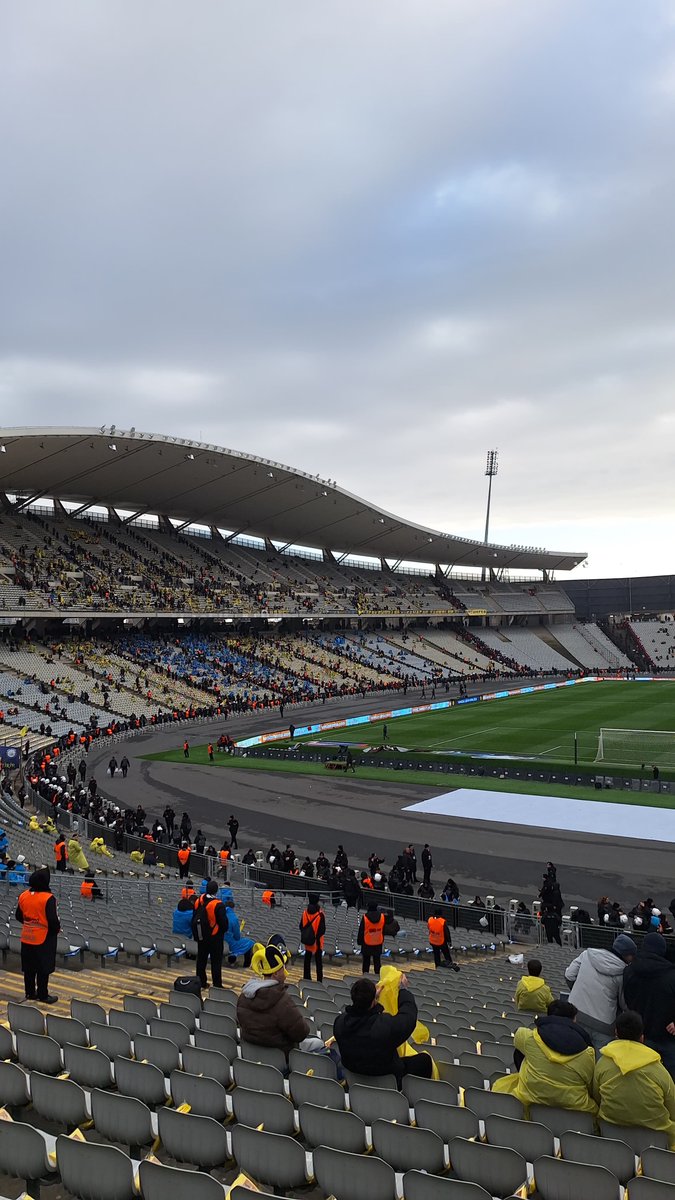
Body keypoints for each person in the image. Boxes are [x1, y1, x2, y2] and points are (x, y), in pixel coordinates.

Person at [493, 1000, 597, 1116]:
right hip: (575, 1110)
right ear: (573, 1021)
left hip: (529, 1104)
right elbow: (590, 1085)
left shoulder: (529, 1037)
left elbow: (518, 1039)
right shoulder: (588, 1053)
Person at [593, 1010, 675, 1149]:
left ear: (616, 1033)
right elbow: (672, 1107)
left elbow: (597, 1097)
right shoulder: (659, 1071)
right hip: (657, 1144)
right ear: (642, 1038)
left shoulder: (602, 1063)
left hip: (611, 1138)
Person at [333, 974, 433, 1084]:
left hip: (355, 1077)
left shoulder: (340, 1023)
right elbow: (408, 1018)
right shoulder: (384, 1026)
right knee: (425, 1060)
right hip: (388, 1076)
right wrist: (402, 990)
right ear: (373, 1001)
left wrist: (373, 998)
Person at [236, 940, 324, 1054]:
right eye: (283, 968)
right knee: (319, 1043)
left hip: (251, 1053)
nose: (285, 972)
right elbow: (301, 1034)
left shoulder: (243, 997)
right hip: (282, 1053)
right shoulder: (282, 1001)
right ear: (276, 973)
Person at [564, 934, 637, 1050]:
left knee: (575, 1055)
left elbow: (569, 975)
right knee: (602, 1060)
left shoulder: (587, 955)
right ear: (627, 955)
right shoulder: (624, 972)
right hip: (604, 1026)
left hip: (576, 1014)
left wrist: (577, 990)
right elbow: (624, 1004)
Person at [623, 932, 675, 1076]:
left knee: (641, 1076)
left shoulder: (629, 971)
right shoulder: (671, 975)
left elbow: (627, 999)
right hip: (667, 1036)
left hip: (639, 1034)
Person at [16, 867, 60, 1003]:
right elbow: (52, 920)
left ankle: (30, 993)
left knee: (28, 968)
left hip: (26, 936)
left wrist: (30, 923)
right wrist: (55, 930)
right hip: (44, 938)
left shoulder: (23, 895)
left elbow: (18, 915)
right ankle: (43, 995)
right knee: (43, 968)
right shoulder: (48, 898)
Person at [192, 879, 229, 989]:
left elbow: (194, 917)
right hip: (215, 937)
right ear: (216, 891)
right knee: (216, 962)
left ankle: (201, 982)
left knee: (201, 960)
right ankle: (217, 985)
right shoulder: (218, 904)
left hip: (201, 935)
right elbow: (224, 923)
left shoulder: (198, 901)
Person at [300, 896, 326, 982]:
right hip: (317, 942)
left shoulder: (305, 912)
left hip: (308, 941)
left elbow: (301, 926)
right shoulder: (320, 914)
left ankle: (306, 978)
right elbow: (322, 930)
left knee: (307, 960)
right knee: (318, 962)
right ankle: (319, 980)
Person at [223, 902, 254, 968]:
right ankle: (246, 965)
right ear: (232, 908)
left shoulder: (220, 914)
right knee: (249, 943)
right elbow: (237, 936)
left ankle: (232, 961)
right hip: (229, 942)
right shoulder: (233, 918)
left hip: (219, 939)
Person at [358, 902, 385, 975]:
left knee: (366, 962)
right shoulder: (382, 916)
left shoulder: (365, 917)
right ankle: (378, 976)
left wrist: (359, 941)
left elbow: (361, 930)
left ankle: (365, 976)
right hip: (378, 942)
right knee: (377, 962)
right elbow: (383, 929)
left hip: (367, 942)